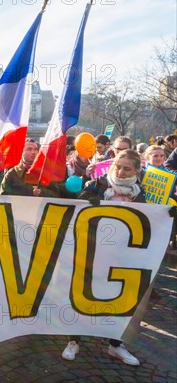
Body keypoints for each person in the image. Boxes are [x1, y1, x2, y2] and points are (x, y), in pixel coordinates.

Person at [62, 149, 145, 366]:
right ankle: (73, 340)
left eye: (127, 168)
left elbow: (147, 221)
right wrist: (92, 202)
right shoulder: (97, 185)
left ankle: (115, 345)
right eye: (118, 166)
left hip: (121, 256)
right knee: (81, 293)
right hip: (91, 252)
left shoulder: (140, 192)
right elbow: (77, 207)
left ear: (136, 170)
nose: (120, 171)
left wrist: (166, 215)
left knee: (118, 298)